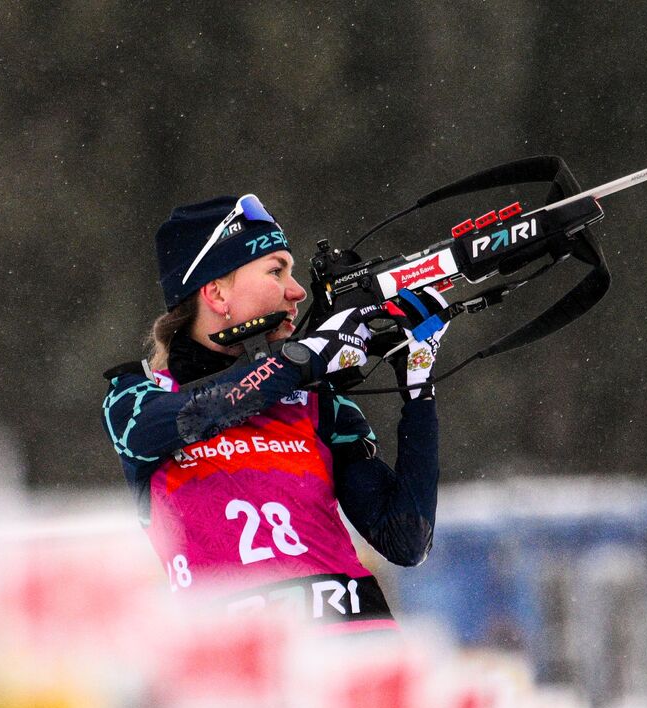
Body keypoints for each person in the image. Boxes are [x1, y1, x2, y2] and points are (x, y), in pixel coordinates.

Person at [102, 194, 449, 630]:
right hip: (246, 679)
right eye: (275, 270)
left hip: (358, 659)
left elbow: (407, 540)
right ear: (216, 292)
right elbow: (194, 414)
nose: (297, 290)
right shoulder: (136, 398)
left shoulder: (313, 401)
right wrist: (304, 359)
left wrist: (418, 388)